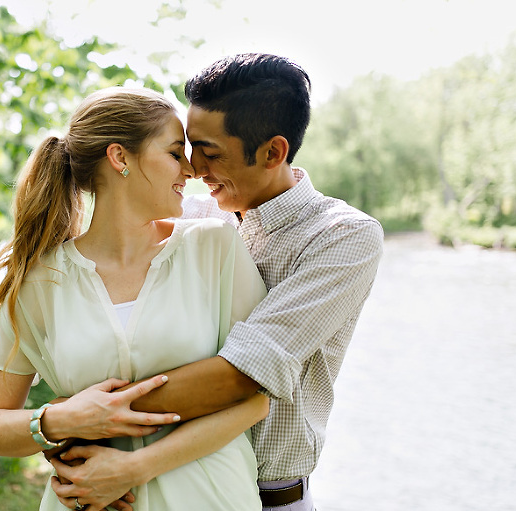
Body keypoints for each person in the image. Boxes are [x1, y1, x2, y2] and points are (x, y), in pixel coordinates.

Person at [49, 54, 385, 511]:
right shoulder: (187, 220)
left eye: (211, 152)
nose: (193, 168)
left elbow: (242, 374)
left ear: (273, 153)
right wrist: (64, 422)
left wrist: (82, 419)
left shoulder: (342, 237)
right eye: (188, 148)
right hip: (157, 487)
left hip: (268, 498)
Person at [0, 86, 271, 511]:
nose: (190, 170)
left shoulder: (215, 246)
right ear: (120, 158)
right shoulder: (39, 280)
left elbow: (256, 398)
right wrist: (60, 419)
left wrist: (135, 468)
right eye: (175, 153)